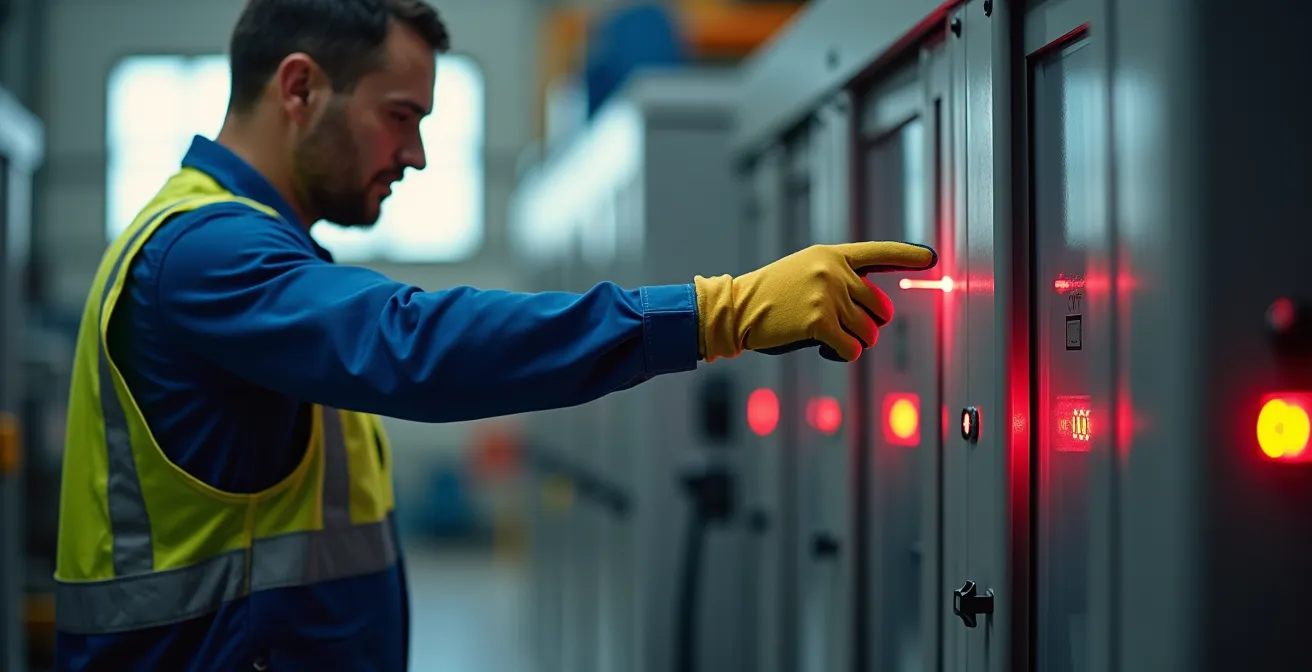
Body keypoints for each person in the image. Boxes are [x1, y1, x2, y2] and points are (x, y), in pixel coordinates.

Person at [52, 0, 937, 669]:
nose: (419, 154)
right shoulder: (205, 253)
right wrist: (717, 313)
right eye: (402, 115)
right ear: (298, 89)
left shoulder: (233, 243)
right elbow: (414, 345)